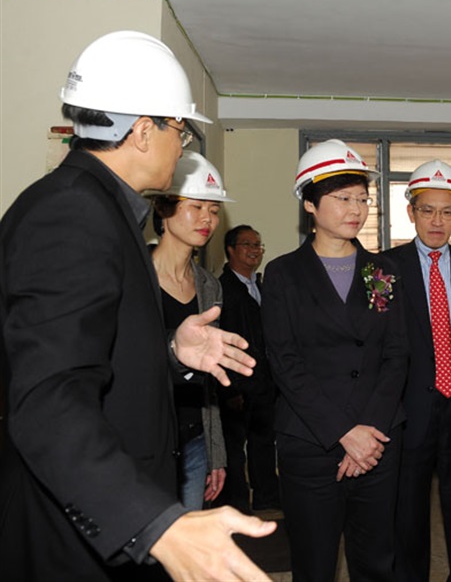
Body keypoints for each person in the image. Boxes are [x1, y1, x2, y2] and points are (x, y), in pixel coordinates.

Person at [0, 30, 274, 581]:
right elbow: (49, 398)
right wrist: (154, 523)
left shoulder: (96, 209)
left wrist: (171, 352)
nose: (184, 147)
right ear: (144, 131)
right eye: (182, 131)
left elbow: (96, 354)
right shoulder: (73, 215)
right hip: (76, 538)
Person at [261, 139, 409, 581]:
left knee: (376, 560)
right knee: (315, 563)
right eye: (343, 198)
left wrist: (368, 435)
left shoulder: (383, 270)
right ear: (309, 203)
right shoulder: (284, 274)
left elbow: (397, 353)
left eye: (363, 198)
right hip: (311, 441)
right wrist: (343, 433)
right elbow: (285, 362)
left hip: (379, 440)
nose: (356, 209)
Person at [383, 160, 451, 582]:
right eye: (427, 210)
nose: (437, 221)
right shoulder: (386, 267)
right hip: (409, 407)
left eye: (447, 211)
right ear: (411, 212)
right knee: (408, 510)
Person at [150, 151, 234, 509]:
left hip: (195, 441)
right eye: (196, 206)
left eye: (214, 210)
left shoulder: (209, 286)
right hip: (146, 441)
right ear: (163, 209)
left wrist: (216, 453)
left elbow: (208, 379)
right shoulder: (134, 275)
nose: (207, 219)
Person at [217, 224, 281, 513]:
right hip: (236, 384)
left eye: (258, 244)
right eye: (247, 244)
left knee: (264, 442)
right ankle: (237, 503)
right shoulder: (221, 289)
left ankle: (267, 496)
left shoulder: (262, 286)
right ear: (230, 250)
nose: (255, 250)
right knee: (234, 449)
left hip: (264, 381)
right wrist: (229, 387)